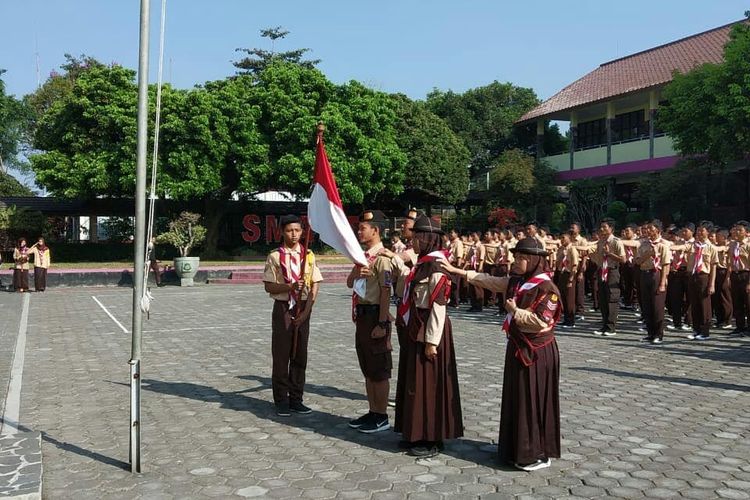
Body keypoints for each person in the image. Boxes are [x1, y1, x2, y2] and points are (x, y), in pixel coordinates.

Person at [442, 237, 561, 471]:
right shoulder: (519, 281)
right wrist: (459, 271)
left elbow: (540, 321)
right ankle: (514, 446)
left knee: (532, 400)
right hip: (518, 347)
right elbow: (492, 281)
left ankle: (535, 452)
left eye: (520, 258)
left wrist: (515, 311)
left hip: (536, 352)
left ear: (534, 260)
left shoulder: (547, 288)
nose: (514, 261)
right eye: (515, 256)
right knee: (516, 398)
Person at [397, 215, 463, 457]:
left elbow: (438, 306)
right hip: (417, 327)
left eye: (416, 237)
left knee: (430, 386)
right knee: (415, 383)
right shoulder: (422, 264)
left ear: (426, 239)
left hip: (430, 332)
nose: (412, 242)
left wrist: (432, 342)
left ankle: (431, 437)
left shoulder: (437, 266)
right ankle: (414, 432)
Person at [262, 215, 323, 416]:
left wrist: (307, 311)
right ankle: (281, 399)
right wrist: (289, 286)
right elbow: (268, 285)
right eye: (289, 230)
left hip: (303, 307)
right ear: (281, 232)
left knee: (300, 354)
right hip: (283, 308)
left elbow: (315, 284)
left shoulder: (309, 255)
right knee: (281, 355)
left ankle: (296, 398)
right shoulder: (275, 257)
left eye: (298, 230)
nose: (294, 234)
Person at [347, 210, 394, 433]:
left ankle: (382, 415)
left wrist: (382, 323)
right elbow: (349, 282)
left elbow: (386, 292)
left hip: (376, 315)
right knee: (367, 366)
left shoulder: (383, 259)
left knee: (379, 368)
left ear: (375, 230)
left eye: (363, 228)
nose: (359, 231)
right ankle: (372, 411)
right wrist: (357, 272)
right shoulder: (362, 257)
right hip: (363, 315)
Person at [670, 222, 718, 340]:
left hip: (704, 277)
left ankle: (705, 331)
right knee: (694, 303)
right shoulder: (693, 245)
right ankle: (696, 329)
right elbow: (681, 247)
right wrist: (669, 246)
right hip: (692, 276)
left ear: (708, 232)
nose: (699, 233)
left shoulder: (711, 248)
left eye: (702, 230)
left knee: (704, 304)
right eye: (698, 230)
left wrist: (711, 284)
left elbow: (713, 267)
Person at [633, 220, 671, 345]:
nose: (647, 231)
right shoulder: (644, 244)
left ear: (658, 230)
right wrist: (648, 254)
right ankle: (650, 333)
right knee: (646, 305)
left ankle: (658, 334)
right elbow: (638, 262)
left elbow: (666, 265)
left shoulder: (663, 245)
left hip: (657, 274)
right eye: (647, 228)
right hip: (645, 274)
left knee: (657, 306)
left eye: (651, 228)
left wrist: (662, 283)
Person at [593, 219, 626, 336]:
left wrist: (609, 254)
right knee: (602, 298)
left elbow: (623, 259)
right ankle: (604, 324)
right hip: (602, 271)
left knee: (612, 298)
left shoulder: (616, 242)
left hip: (612, 271)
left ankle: (611, 327)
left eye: (604, 227)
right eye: (601, 227)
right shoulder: (600, 242)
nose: (602, 229)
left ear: (611, 229)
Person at [728, 221, 750, 336]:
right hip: (735, 274)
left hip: (746, 275)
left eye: (740, 230)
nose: (736, 232)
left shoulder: (748, 245)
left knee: (748, 302)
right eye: (735, 229)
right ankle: (739, 326)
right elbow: (730, 262)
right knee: (737, 302)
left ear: (747, 233)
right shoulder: (732, 244)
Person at [555, 231, 579, 328]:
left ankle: (571, 320)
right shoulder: (561, 249)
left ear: (569, 239)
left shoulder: (572, 249)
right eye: (561, 238)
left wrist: (571, 279)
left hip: (569, 274)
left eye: (563, 238)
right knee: (563, 297)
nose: (562, 240)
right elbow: (558, 264)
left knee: (569, 298)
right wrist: (562, 255)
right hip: (562, 273)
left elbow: (574, 265)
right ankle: (566, 319)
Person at [713, 229, 733, 329]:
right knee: (716, 297)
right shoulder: (715, 246)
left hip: (724, 271)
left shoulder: (729, 246)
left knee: (725, 296)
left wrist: (727, 278)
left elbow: (729, 264)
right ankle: (719, 319)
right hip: (716, 271)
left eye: (718, 236)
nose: (716, 238)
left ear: (724, 237)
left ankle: (727, 320)